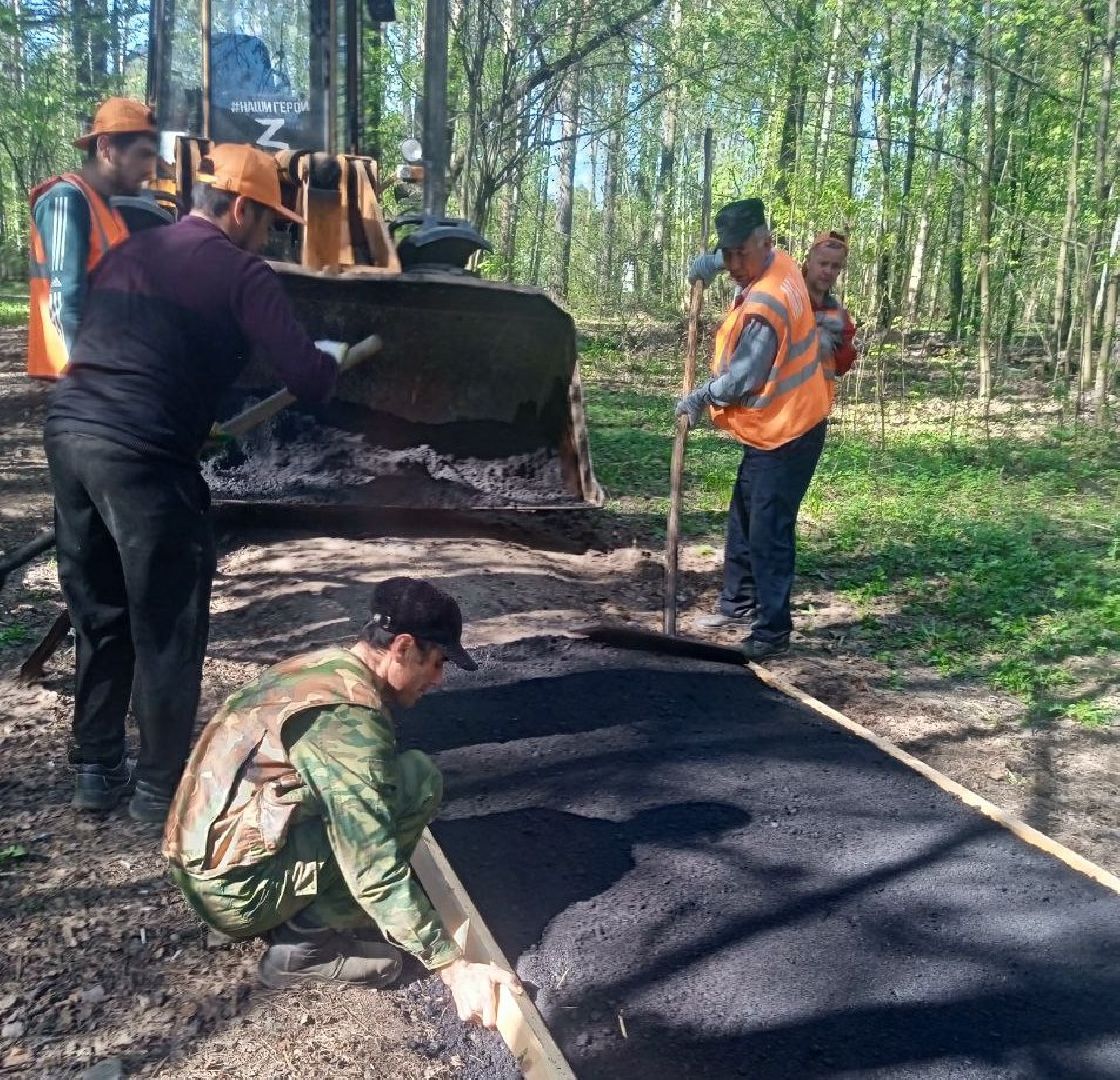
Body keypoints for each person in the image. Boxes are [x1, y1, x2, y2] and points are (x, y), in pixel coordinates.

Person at [45, 143, 362, 824]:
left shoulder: (133, 253)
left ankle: (96, 771)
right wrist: (329, 359)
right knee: (168, 621)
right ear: (240, 207)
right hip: (140, 454)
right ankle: (160, 789)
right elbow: (305, 381)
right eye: (271, 221)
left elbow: (129, 352)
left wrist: (190, 424)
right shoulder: (240, 271)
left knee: (99, 614)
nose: (272, 235)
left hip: (72, 435)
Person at [163, 576, 523, 1027]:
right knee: (416, 781)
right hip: (236, 895)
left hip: (205, 865)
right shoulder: (345, 722)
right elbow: (370, 863)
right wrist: (451, 966)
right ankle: (305, 945)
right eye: (436, 661)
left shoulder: (322, 669)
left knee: (382, 785)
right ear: (403, 646)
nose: (438, 678)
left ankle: (273, 905)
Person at [677, 199, 835, 659]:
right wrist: (706, 263)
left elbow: (744, 377)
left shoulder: (769, 302)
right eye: (726, 255)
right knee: (744, 515)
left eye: (739, 256)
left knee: (768, 530)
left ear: (763, 243)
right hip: (774, 427)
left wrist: (700, 396)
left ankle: (771, 632)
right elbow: (728, 258)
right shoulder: (776, 259)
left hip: (792, 430)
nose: (733, 266)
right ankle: (738, 603)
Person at [27, 96, 159, 379]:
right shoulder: (65, 199)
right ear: (105, 147)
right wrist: (90, 382)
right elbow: (64, 304)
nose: (150, 169)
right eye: (143, 155)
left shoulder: (107, 209)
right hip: (82, 380)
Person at [802, 229, 857, 377]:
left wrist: (837, 346)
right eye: (823, 263)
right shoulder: (788, 301)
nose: (828, 271)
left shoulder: (839, 315)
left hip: (819, 398)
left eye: (835, 266)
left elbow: (843, 366)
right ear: (808, 262)